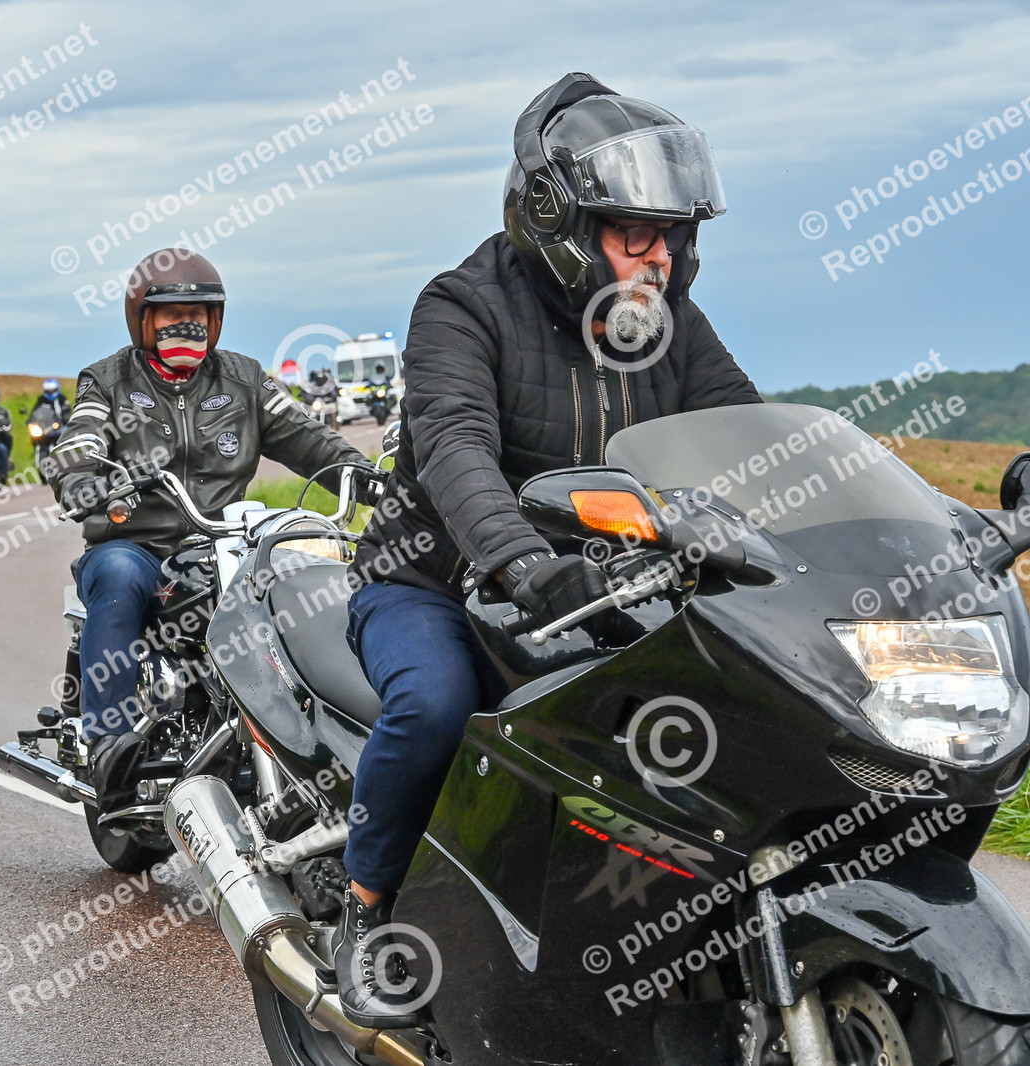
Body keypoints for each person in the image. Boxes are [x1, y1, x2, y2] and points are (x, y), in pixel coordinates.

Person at [333, 73, 761, 1028]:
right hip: (439, 583)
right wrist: (521, 561)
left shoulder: (671, 327)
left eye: (673, 236)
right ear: (559, 223)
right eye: (637, 235)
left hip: (612, 591)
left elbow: (749, 436)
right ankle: (366, 906)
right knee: (436, 705)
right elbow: (456, 448)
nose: (661, 258)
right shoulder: (462, 307)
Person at [50, 247, 371, 811]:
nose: (187, 325)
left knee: (310, 579)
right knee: (117, 572)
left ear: (215, 319)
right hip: (141, 547)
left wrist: (371, 479)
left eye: (198, 314)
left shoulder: (244, 380)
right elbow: (81, 438)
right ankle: (108, 743)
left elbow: (311, 439)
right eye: (172, 315)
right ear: (142, 319)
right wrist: (83, 478)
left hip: (226, 544)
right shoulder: (108, 381)